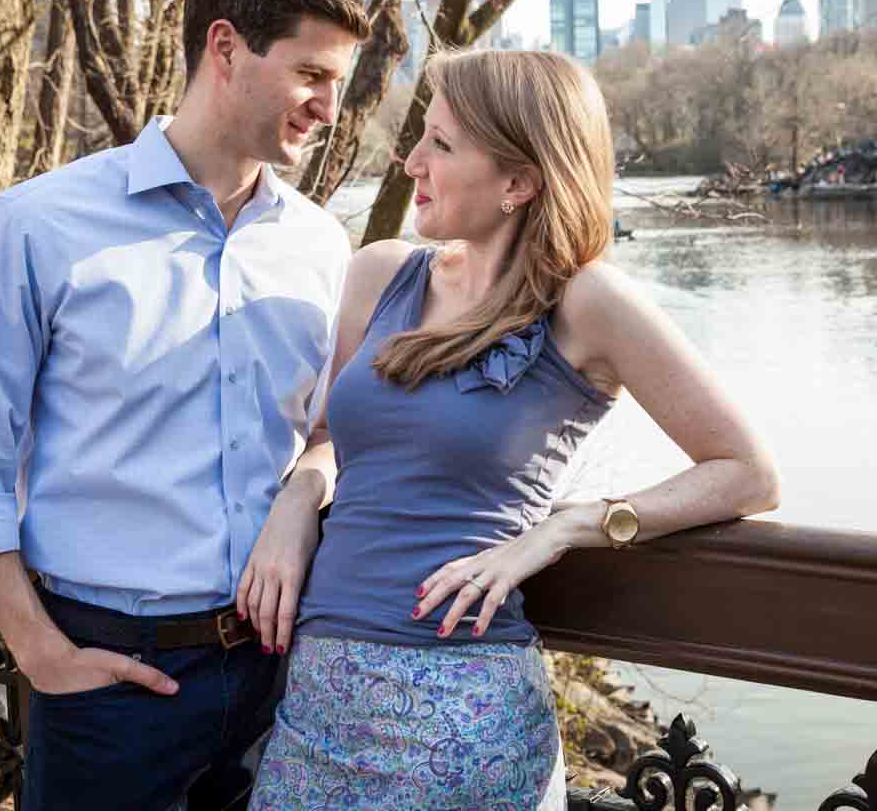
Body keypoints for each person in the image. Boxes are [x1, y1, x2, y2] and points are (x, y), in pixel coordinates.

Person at [245, 50, 781, 810]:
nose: (411, 162)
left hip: (467, 717)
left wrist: (569, 528)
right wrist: (299, 496)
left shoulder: (588, 303)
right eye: (421, 137)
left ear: (519, 183)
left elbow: (747, 473)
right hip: (319, 699)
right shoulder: (380, 274)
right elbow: (331, 435)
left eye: (441, 144)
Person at [0, 0, 370, 810]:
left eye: (338, 82)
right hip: (109, 685)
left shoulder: (319, 244)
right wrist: (40, 651)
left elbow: (327, 432)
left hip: (275, 680)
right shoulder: (38, 225)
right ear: (225, 48)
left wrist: (300, 499)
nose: (329, 107)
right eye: (312, 74)